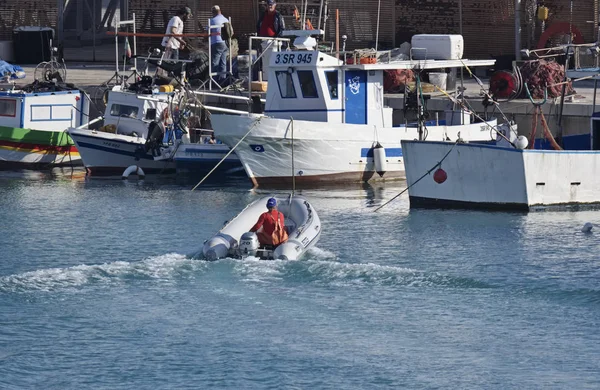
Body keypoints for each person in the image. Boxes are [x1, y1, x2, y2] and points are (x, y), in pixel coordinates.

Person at [256, 0, 285, 81]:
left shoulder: (278, 15)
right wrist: (258, 36)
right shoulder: (263, 14)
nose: (270, 6)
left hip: (273, 42)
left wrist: (277, 38)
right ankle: (264, 78)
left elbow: (282, 28)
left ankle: (274, 79)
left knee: (273, 60)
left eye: (271, 4)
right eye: (268, 4)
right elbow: (258, 25)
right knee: (263, 61)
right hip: (263, 41)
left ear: (275, 5)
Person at [209, 5, 230, 85]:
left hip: (216, 43)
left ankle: (214, 82)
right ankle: (223, 81)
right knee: (223, 63)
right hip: (225, 43)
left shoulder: (212, 20)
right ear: (220, 11)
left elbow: (207, 32)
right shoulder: (226, 19)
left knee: (215, 63)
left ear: (213, 12)